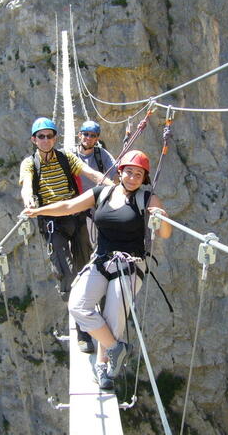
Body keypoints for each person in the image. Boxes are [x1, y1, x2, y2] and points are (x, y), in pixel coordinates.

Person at [23, 150, 172, 390]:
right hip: (102, 260)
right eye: (129, 172)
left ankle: (104, 368)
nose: (133, 177)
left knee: (113, 317)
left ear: (144, 178)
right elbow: (69, 206)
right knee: (78, 306)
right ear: (120, 172)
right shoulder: (102, 192)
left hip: (130, 265)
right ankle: (116, 348)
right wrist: (39, 211)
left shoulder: (148, 199)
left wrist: (161, 218)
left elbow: (165, 233)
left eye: (139, 174)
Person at [19, 117, 111, 353]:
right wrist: (29, 200)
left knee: (84, 268)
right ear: (33, 140)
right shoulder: (29, 164)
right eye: (41, 136)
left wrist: (114, 188)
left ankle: (90, 311)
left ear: (55, 139)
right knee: (65, 273)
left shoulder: (66, 158)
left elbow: (90, 173)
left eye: (50, 136)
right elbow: (27, 185)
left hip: (76, 217)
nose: (46, 140)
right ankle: (83, 329)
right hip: (52, 222)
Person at [73, 120, 118, 191]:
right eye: (86, 134)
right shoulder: (71, 154)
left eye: (93, 135)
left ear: (97, 139)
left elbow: (115, 174)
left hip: (96, 197)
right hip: (76, 197)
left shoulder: (102, 154)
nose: (89, 138)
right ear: (79, 135)